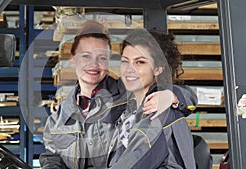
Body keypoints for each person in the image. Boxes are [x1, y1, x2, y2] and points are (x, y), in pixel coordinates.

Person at [39, 20, 197, 169]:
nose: (93, 64)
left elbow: (186, 96)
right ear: (73, 60)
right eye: (86, 56)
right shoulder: (60, 116)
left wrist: (171, 95)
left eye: (101, 58)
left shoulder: (130, 97)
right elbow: (52, 156)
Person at [107, 29, 196, 169]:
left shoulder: (159, 113)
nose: (129, 69)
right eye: (125, 61)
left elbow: (136, 161)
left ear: (158, 69)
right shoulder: (126, 107)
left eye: (140, 62)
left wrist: (172, 95)